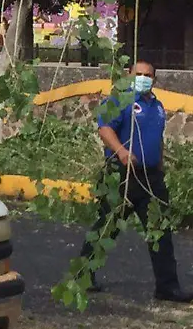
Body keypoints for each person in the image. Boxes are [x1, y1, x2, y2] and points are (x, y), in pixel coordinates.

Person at [80, 60, 192, 302]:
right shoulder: (120, 100)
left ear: (155, 79)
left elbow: (158, 139)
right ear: (129, 75)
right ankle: (84, 275)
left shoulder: (158, 107)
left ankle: (167, 287)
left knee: (160, 231)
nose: (143, 78)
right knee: (106, 227)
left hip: (150, 177)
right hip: (122, 174)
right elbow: (105, 129)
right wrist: (120, 151)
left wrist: (160, 167)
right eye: (138, 74)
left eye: (148, 75)